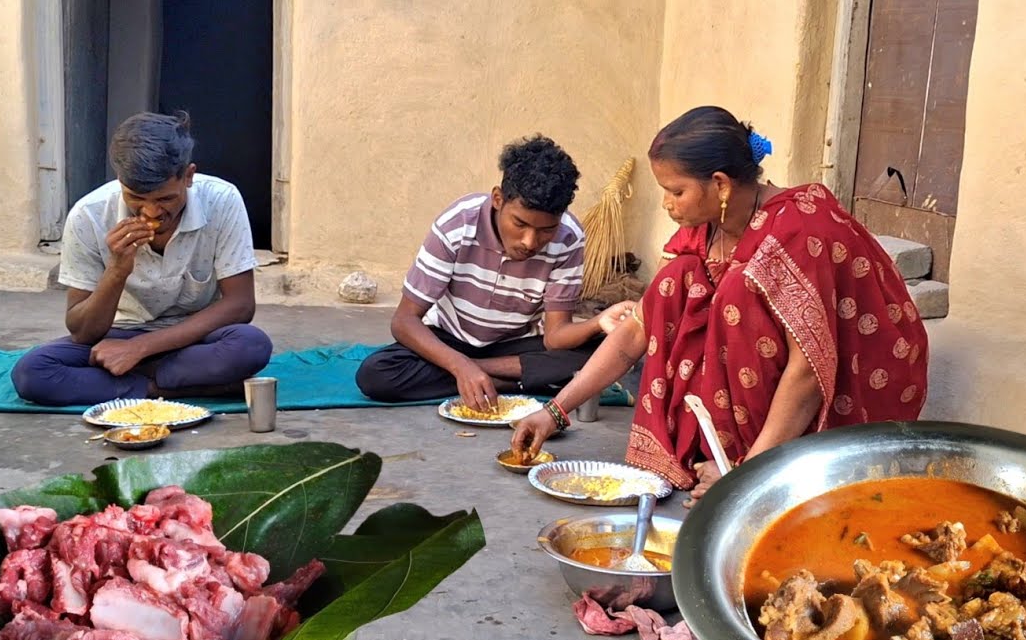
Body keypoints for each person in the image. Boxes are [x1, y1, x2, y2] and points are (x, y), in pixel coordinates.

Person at [511, 106, 929, 501]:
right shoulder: (708, 229)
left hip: (856, 385)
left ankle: (747, 463)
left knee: (736, 295)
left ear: (721, 184)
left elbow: (807, 372)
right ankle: (720, 455)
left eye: (676, 190)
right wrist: (554, 412)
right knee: (677, 282)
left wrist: (744, 480)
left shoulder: (799, 231)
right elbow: (638, 329)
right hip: (784, 385)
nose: (666, 203)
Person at [355, 135, 635, 411]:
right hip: (451, 339)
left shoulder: (568, 238)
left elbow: (555, 337)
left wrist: (599, 322)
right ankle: (515, 382)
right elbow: (404, 321)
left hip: (516, 347)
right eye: (520, 223)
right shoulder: (458, 223)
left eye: (546, 229)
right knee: (376, 375)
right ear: (498, 199)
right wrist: (458, 363)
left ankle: (483, 375)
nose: (530, 241)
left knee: (610, 350)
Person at [11, 111, 272, 406]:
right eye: (135, 197)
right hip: (117, 335)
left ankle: (125, 383)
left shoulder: (222, 200)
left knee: (251, 345)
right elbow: (83, 332)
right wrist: (117, 271)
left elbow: (240, 305)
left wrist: (140, 348)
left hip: (197, 337)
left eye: (165, 199)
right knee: (32, 373)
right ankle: (177, 388)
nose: (150, 213)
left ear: (188, 176)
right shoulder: (89, 215)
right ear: (120, 181)